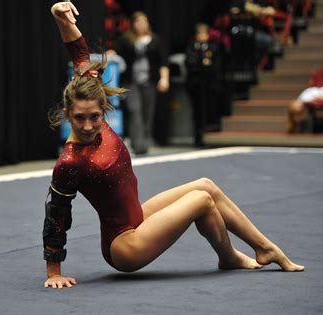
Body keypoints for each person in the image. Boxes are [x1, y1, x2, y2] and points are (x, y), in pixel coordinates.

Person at [43, 2, 304, 290]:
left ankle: (245, 253)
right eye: (79, 119)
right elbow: (57, 215)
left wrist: (60, 19)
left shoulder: (88, 94)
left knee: (206, 186)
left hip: (138, 217)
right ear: (68, 114)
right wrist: (54, 271)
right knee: (200, 201)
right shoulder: (70, 161)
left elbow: (80, 54)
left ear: (103, 107)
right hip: (124, 246)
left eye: (95, 117)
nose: (89, 125)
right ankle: (253, 251)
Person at [107, 10, 170, 155]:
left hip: (150, 81)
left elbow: (163, 61)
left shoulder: (155, 40)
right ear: (133, 24)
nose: (141, 24)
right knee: (135, 110)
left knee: (148, 112)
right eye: (138, 22)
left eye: (144, 21)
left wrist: (164, 79)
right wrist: (111, 53)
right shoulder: (126, 39)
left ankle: (146, 142)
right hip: (131, 82)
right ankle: (138, 144)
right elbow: (116, 52)